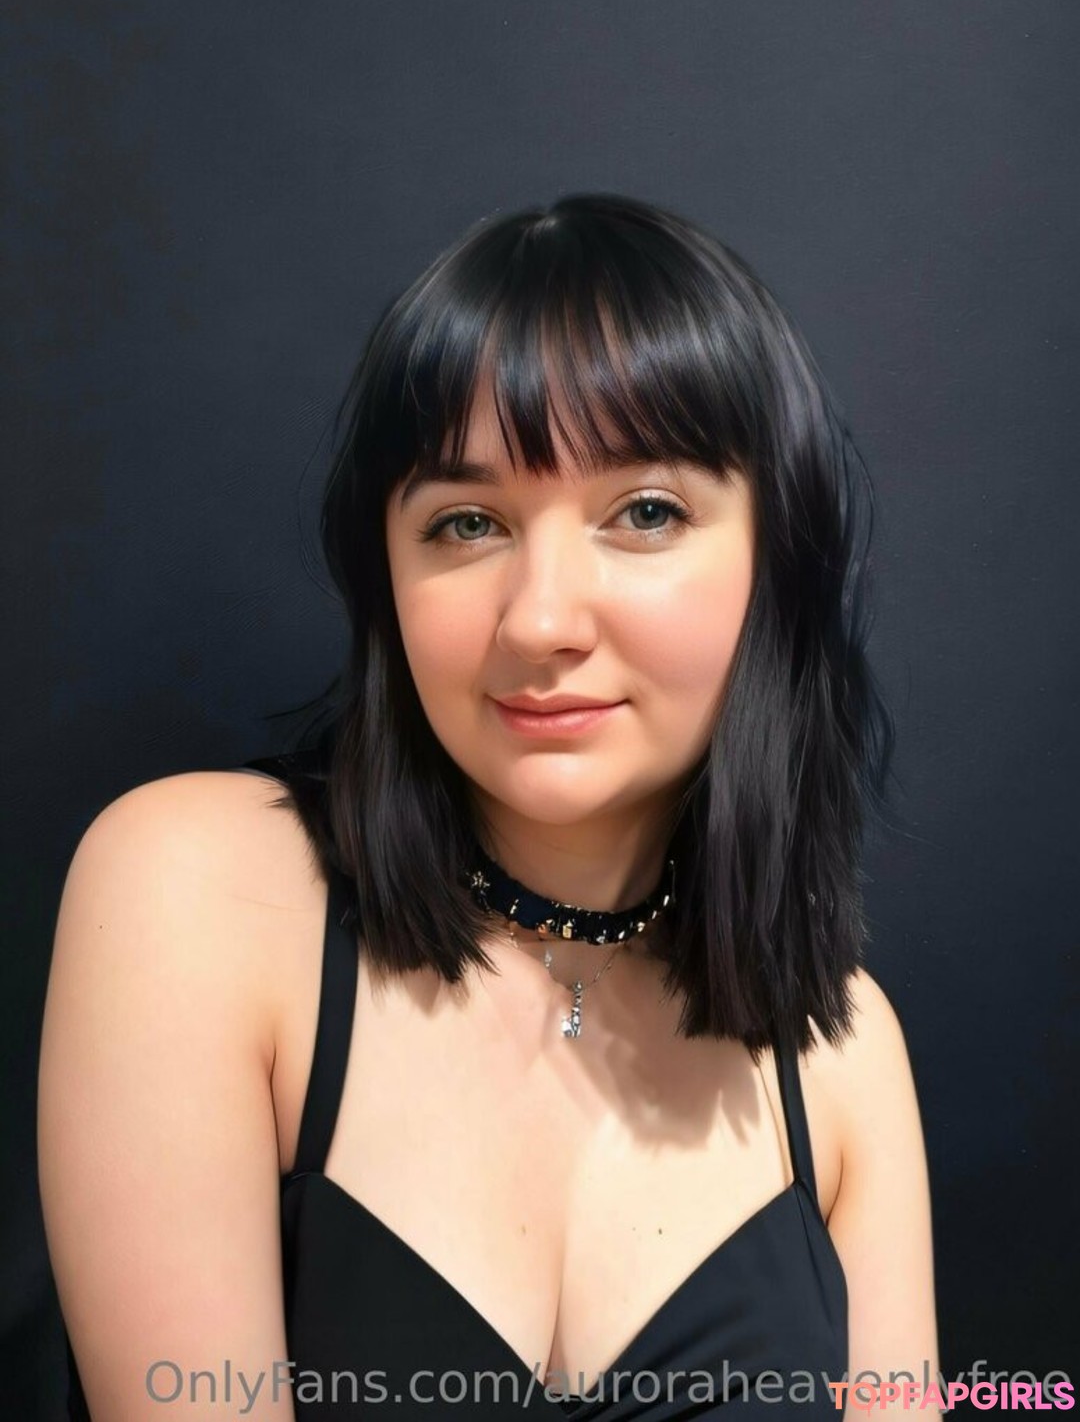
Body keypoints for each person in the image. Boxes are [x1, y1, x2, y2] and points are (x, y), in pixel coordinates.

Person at [39, 193, 941, 1420]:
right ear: (387, 576)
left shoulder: (841, 1057)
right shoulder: (199, 895)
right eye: (466, 524)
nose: (542, 620)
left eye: (646, 513)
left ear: (776, 559)